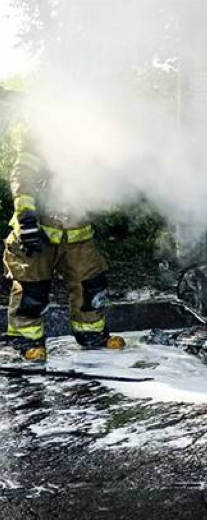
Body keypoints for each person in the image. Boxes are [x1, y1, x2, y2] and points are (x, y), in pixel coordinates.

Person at [4, 129, 126, 362]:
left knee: (90, 286)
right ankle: (28, 342)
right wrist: (28, 222)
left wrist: (115, 216)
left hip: (77, 235)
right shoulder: (35, 151)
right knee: (32, 290)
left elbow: (97, 188)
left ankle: (93, 336)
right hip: (38, 236)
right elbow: (23, 184)